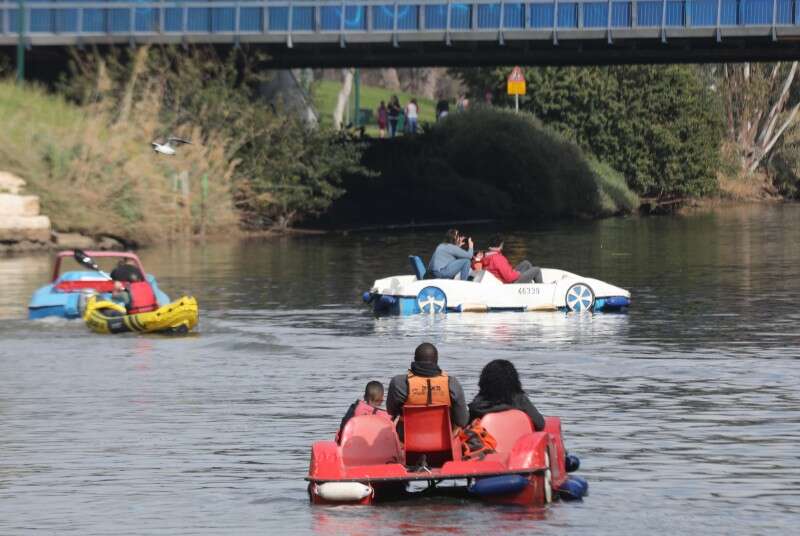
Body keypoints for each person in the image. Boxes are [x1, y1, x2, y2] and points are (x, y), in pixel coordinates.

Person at [387, 342, 468, 431]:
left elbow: (391, 411)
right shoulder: (452, 383)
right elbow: (462, 421)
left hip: (407, 440)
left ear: (414, 360)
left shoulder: (399, 383)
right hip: (444, 441)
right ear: (437, 361)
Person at [468, 359, 545, 431]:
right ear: (514, 381)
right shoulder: (520, 400)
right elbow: (540, 424)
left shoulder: (477, 404)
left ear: (484, 381)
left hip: (484, 443)